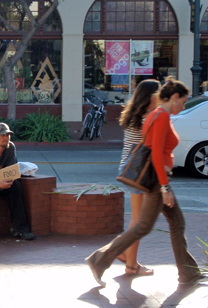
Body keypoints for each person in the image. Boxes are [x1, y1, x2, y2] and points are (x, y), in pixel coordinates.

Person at [86, 77, 207, 287]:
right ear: (175, 97)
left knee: (176, 223)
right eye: (184, 101)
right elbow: (157, 154)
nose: (184, 106)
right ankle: (100, 260)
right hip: (156, 180)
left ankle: (189, 273)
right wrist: (164, 187)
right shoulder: (159, 116)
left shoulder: (158, 114)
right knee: (143, 225)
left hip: (158, 178)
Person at [116, 79, 160, 276]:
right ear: (151, 96)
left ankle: (127, 256)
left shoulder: (132, 113)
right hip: (138, 169)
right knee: (138, 220)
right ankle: (131, 264)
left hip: (128, 167)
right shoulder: (147, 117)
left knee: (137, 218)